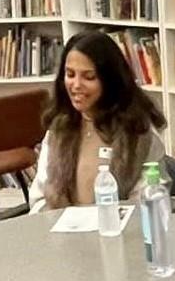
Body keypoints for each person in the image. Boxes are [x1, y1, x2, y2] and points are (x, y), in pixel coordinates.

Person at [29, 30, 166, 213]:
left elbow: (148, 202)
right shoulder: (58, 130)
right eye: (70, 74)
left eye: (89, 77)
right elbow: (39, 199)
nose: (76, 85)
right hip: (65, 228)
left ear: (110, 80)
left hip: (121, 227)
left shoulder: (139, 133)